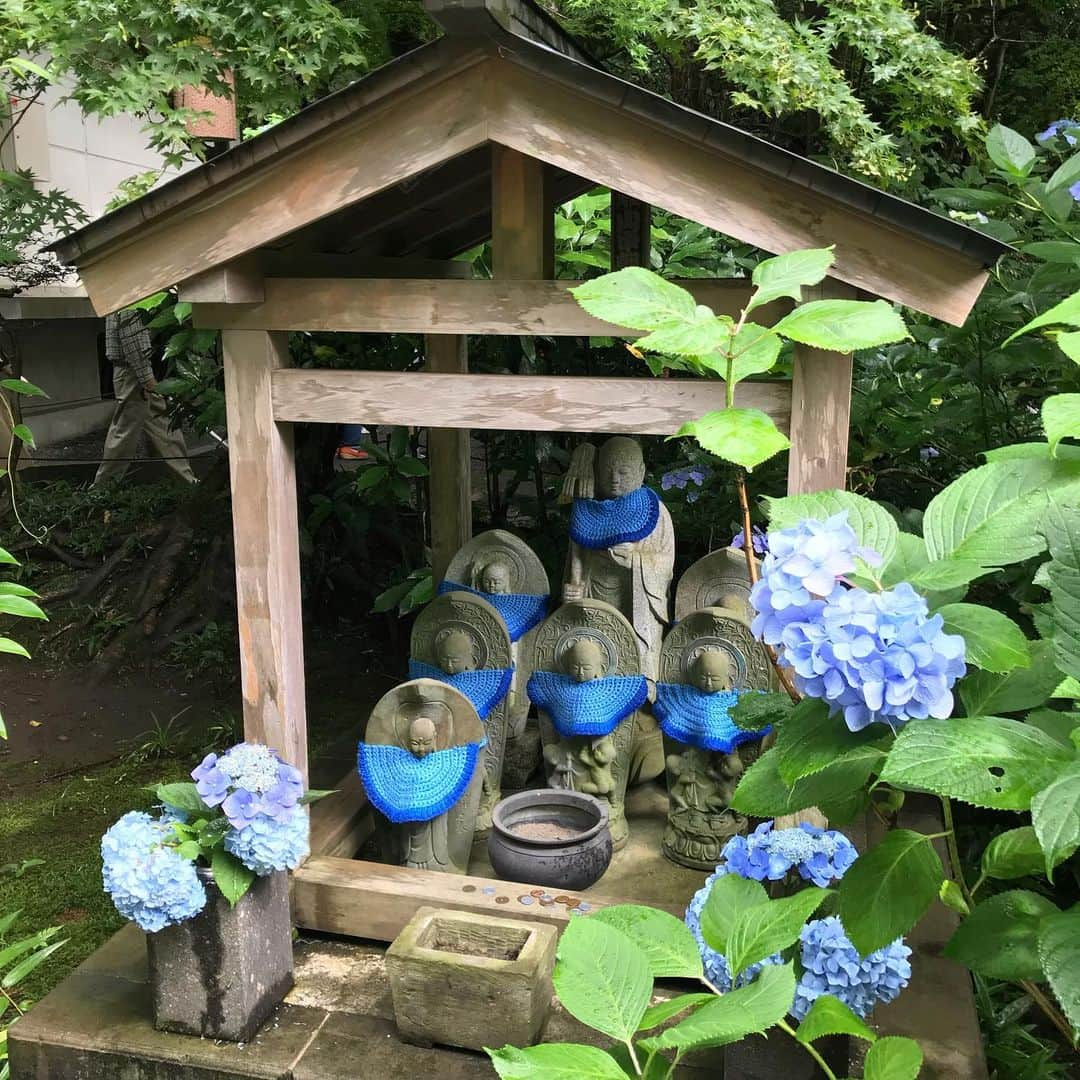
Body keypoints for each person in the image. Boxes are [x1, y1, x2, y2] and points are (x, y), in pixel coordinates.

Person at [93, 309, 196, 486]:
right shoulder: (131, 297)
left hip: (133, 370)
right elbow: (132, 338)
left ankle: (188, 483)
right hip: (132, 371)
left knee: (164, 425)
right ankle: (101, 490)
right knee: (125, 432)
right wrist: (147, 378)